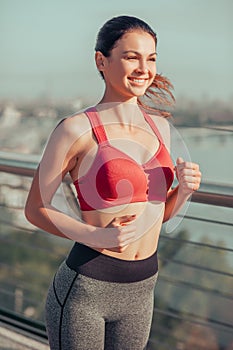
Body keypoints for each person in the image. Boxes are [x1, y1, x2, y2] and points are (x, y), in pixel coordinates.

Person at [25, 15, 201, 350]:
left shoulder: (160, 128)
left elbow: (155, 216)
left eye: (151, 59)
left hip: (143, 288)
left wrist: (184, 191)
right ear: (101, 61)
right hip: (86, 290)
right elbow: (35, 209)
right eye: (131, 57)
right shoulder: (75, 129)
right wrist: (98, 235)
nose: (143, 68)